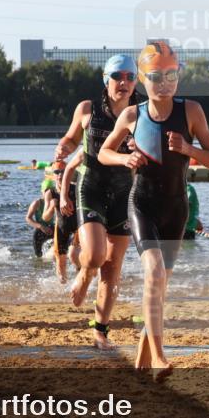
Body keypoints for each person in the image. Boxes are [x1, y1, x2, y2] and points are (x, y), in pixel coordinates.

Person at [99, 41, 209, 377]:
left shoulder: (191, 112)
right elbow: (103, 153)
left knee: (159, 285)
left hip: (176, 210)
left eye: (171, 75)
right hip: (142, 205)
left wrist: (188, 148)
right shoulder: (132, 115)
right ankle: (159, 358)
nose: (165, 82)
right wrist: (125, 158)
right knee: (153, 274)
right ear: (142, 79)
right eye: (156, 76)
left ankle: (144, 354)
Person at [54, 54, 139, 349]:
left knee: (113, 267)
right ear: (106, 79)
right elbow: (70, 139)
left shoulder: (143, 113)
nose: (124, 82)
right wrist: (62, 149)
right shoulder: (87, 109)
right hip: (91, 187)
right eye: (118, 76)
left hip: (124, 192)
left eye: (130, 76)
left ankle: (100, 330)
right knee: (94, 256)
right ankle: (84, 274)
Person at [43, 161, 80, 283]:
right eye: (57, 172)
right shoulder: (50, 193)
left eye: (63, 172)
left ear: (68, 173)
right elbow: (45, 217)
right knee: (60, 262)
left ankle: (81, 282)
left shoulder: (76, 189)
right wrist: (51, 207)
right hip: (60, 229)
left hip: (77, 227)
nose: (60, 175)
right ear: (53, 175)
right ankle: (63, 289)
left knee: (74, 256)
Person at [26, 180, 56, 257]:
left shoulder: (55, 201)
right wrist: (41, 227)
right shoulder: (37, 203)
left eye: (51, 190)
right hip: (40, 230)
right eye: (46, 190)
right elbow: (28, 218)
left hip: (52, 228)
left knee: (59, 250)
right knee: (38, 256)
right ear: (42, 191)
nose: (48, 193)